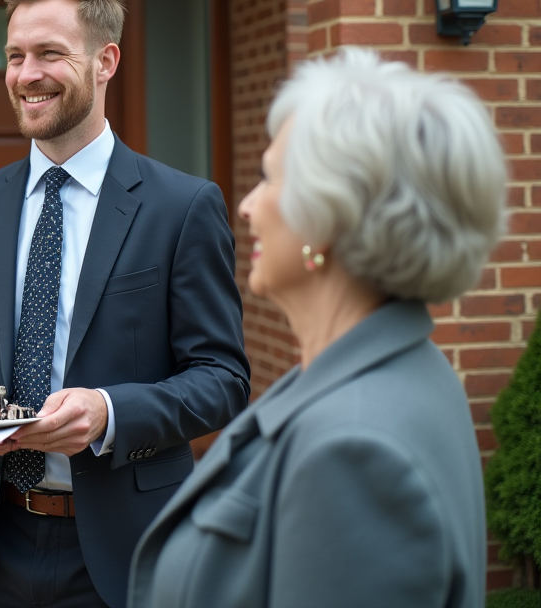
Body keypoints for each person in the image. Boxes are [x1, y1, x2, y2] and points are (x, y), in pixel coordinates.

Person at [0, 0, 251, 608]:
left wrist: (109, 413)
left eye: (49, 54)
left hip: (125, 555)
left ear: (106, 62)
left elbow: (223, 378)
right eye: (14, 56)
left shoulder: (183, 207)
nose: (25, 75)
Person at [128, 47, 505, 608]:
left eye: (270, 179)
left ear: (329, 219)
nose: (248, 206)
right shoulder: (396, 369)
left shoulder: (355, 453)